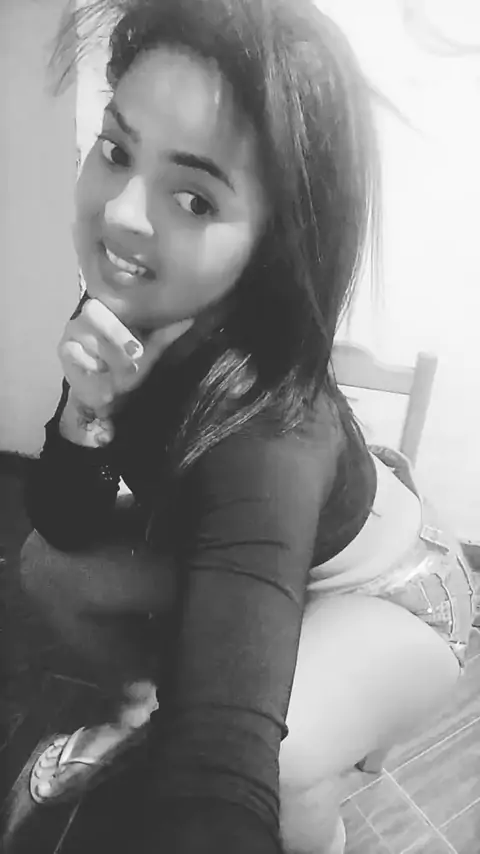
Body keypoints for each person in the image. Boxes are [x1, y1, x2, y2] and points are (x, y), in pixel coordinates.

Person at [18, 0, 475, 852]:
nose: (122, 214)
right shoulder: (125, 305)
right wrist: (85, 411)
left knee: (282, 760)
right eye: (116, 151)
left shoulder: (269, 435)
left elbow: (224, 772)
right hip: (248, 537)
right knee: (51, 568)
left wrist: (215, 756)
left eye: (194, 198)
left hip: (397, 593)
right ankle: (145, 714)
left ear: (274, 239)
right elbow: (66, 525)